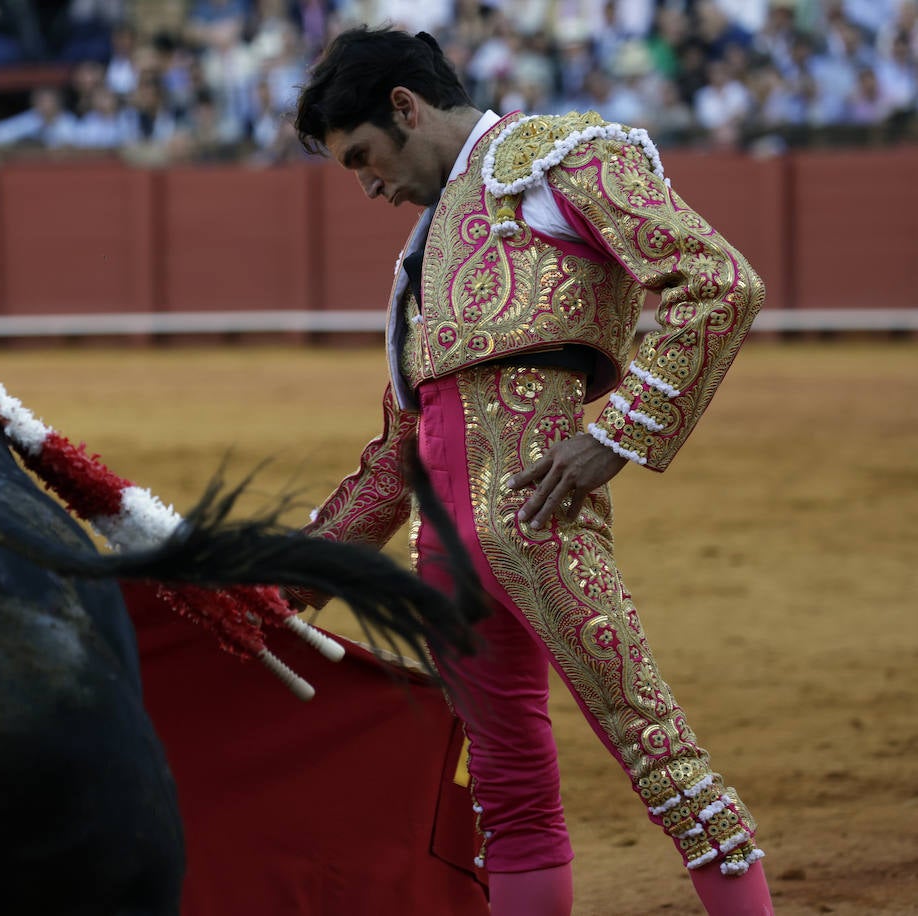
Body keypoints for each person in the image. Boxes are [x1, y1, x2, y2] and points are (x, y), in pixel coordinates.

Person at [289, 26, 772, 916]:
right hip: (445, 561)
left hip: (541, 525)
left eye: (363, 157)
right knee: (507, 797)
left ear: (406, 107)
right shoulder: (420, 260)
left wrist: (618, 433)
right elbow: (398, 456)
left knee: (661, 757)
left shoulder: (557, 159)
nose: (367, 187)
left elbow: (718, 280)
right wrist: (286, 582)